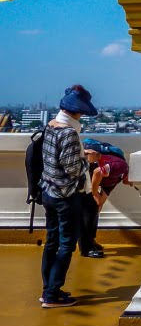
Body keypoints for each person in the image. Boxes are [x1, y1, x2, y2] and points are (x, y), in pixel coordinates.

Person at [39, 85, 97, 308]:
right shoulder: (69, 133)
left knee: (51, 242)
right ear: (77, 111)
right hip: (66, 196)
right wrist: (88, 161)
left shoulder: (51, 126)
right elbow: (73, 169)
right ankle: (53, 294)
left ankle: (47, 290)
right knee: (66, 245)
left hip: (48, 191)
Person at [79, 139, 130, 258]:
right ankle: (86, 248)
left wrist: (98, 200)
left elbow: (101, 199)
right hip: (87, 180)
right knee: (88, 212)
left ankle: (90, 241)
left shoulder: (117, 178)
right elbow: (97, 172)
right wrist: (95, 193)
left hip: (90, 179)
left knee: (94, 211)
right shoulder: (120, 167)